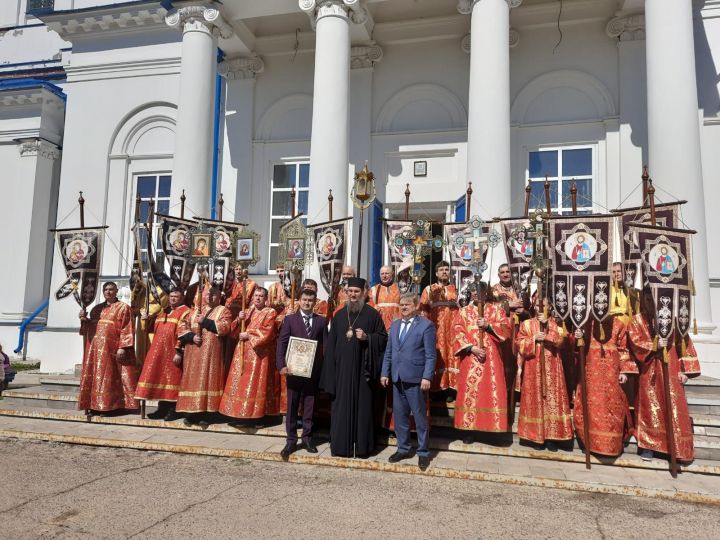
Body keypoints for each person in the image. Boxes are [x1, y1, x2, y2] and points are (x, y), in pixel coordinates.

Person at [628, 288, 700, 462]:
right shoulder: (637, 321)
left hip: (672, 370)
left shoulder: (673, 321)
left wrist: (685, 371)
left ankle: (677, 448)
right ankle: (648, 446)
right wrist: (654, 345)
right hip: (649, 372)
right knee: (650, 408)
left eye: (653, 299)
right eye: (647, 299)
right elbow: (635, 343)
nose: (650, 303)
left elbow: (685, 344)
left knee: (675, 409)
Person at [321, 277, 388, 458]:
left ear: (364, 293)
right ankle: (341, 447)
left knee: (363, 409)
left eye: (356, 292)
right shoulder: (339, 316)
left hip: (362, 373)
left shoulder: (372, 315)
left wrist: (368, 338)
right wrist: (330, 376)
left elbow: (383, 338)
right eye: (350, 291)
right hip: (342, 374)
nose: (353, 295)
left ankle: (362, 448)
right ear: (346, 292)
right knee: (340, 409)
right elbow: (331, 346)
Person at [380, 293, 436, 470]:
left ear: (416, 306)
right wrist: (384, 373)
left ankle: (423, 452)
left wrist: (427, 376)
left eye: (407, 305)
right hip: (397, 377)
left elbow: (430, 354)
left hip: (416, 378)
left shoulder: (426, 326)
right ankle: (403, 448)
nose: (403, 307)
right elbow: (389, 352)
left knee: (419, 417)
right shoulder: (395, 325)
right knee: (400, 416)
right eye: (401, 305)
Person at [452, 281, 511, 441]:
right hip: (471, 358)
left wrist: (489, 325)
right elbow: (457, 332)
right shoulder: (463, 312)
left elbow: (506, 329)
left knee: (490, 392)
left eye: (480, 291)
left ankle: (491, 429)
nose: (477, 293)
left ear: (486, 293)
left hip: (491, 359)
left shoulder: (496, 310)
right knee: (470, 392)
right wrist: (471, 348)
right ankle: (469, 430)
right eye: (474, 291)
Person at [515, 295, 573, 450]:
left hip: (553, 368)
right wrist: (533, 339)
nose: (541, 309)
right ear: (534, 307)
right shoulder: (526, 324)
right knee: (534, 400)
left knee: (552, 400)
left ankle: (551, 437)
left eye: (545, 306)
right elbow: (519, 344)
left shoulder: (556, 323)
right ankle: (535, 436)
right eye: (538, 305)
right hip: (533, 367)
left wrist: (547, 329)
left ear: (550, 307)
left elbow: (563, 341)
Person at [276, 288, 326, 459]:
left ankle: (307, 438)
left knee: (310, 405)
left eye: (310, 300)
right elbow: (282, 344)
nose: (307, 303)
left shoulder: (321, 322)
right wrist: (281, 365)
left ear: (315, 302)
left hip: (312, 371)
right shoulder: (290, 320)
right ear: (299, 301)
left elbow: (324, 347)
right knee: (292, 406)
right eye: (304, 300)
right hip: (293, 371)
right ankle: (291, 440)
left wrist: (324, 369)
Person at [220, 287, 280, 423]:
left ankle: (252, 415)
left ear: (266, 299)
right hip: (241, 351)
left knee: (253, 384)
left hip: (258, 354)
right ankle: (237, 413)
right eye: (256, 295)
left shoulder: (270, 312)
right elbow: (233, 332)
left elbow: (267, 332)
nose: (257, 298)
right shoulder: (247, 311)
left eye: (261, 296)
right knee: (239, 382)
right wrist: (238, 320)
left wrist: (248, 334)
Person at [78, 281, 138, 416]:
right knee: (95, 378)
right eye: (106, 290)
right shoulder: (96, 309)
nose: (108, 292)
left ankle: (111, 407)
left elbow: (127, 329)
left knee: (110, 377)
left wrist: (123, 347)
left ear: (116, 291)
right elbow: (88, 330)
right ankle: (94, 406)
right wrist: (83, 319)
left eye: (111, 289)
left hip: (112, 349)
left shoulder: (123, 308)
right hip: (94, 351)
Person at [176, 285, 232, 428]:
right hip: (193, 354)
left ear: (219, 296)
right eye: (208, 294)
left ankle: (208, 414)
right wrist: (192, 336)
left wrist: (206, 322)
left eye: (213, 294)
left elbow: (225, 327)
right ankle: (192, 413)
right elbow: (182, 327)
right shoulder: (194, 311)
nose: (210, 297)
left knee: (209, 380)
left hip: (211, 354)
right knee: (192, 381)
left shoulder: (223, 310)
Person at [135, 288, 191, 421]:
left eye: (176, 297)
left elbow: (184, 334)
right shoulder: (163, 312)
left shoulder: (186, 312)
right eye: (171, 296)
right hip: (158, 353)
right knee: (159, 380)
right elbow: (151, 329)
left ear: (182, 298)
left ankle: (175, 409)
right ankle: (162, 409)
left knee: (173, 380)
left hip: (173, 353)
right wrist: (146, 320)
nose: (173, 299)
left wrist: (179, 351)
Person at [419, 260, 459, 394]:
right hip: (436, 329)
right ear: (436, 273)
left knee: (453, 355)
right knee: (438, 355)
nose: (444, 272)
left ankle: (452, 389)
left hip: (454, 329)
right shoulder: (429, 289)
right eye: (441, 270)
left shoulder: (456, 289)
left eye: (446, 270)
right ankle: (437, 389)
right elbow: (423, 310)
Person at [368, 265, 401, 331]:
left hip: (396, 325)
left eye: (387, 273)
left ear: (392, 274)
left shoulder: (399, 289)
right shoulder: (374, 289)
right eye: (382, 274)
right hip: (379, 325)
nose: (384, 276)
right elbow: (369, 305)